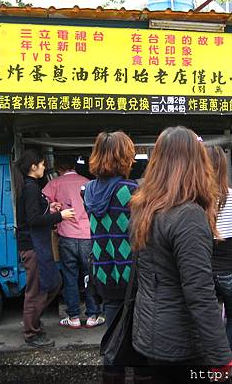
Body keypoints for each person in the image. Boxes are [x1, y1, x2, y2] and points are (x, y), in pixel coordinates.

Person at [130, 126, 232, 381]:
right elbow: (199, 291)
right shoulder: (188, 215)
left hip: (149, 329)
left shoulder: (143, 206)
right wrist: (221, 356)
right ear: (197, 163)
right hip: (179, 341)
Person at [14, 149, 75, 348]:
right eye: (41, 164)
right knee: (38, 290)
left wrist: (50, 208)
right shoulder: (30, 188)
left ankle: (33, 320)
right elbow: (33, 220)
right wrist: (61, 216)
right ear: (33, 167)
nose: (44, 167)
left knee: (53, 283)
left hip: (37, 245)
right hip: (33, 246)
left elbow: (33, 214)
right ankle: (31, 332)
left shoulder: (31, 186)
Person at [83, 131, 138, 329]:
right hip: (131, 273)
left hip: (102, 270)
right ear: (124, 157)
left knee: (112, 331)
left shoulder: (88, 190)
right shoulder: (130, 191)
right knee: (133, 332)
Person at [43, 156, 104, 329]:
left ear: (59, 169)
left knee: (70, 277)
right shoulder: (88, 182)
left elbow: (43, 202)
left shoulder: (55, 183)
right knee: (89, 276)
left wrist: (54, 207)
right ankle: (93, 315)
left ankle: (74, 317)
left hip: (66, 236)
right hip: (87, 236)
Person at [206, 145, 232, 362]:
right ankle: (230, 359)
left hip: (205, 265)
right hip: (230, 264)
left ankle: (211, 358)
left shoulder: (196, 198)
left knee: (206, 315)